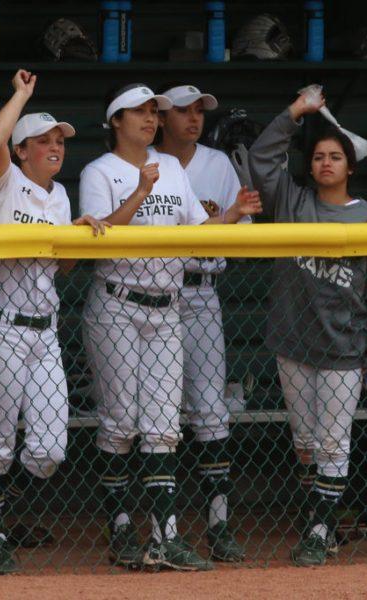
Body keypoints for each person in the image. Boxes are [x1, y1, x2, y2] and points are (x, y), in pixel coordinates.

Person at [79, 83, 260, 571]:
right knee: (120, 422)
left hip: (168, 305)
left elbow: (194, 233)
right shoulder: (100, 171)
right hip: (116, 303)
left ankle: (165, 536)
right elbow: (100, 240)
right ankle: (120, 528)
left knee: (162, 427)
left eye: (152, 112)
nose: (149, 119)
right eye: (138, 112)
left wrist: (233, 217)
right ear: (116, 121)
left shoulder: (175, 169)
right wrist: (141, 190)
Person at [0, 69, 108, 575]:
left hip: (44, 331)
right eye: (43, 141)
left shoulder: (60, 197)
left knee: (49, 448)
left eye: (59, 141)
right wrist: (21, 95)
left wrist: (74, 235)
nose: (55, 147)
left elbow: (64, 267)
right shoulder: (3, 184)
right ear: (22, 151)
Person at [248, 90, 367, 567]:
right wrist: (293, 113)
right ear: (309, 167)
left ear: (350, 167)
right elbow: (262, 158)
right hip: (293, 340)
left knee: (333, 442)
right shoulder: (292, 200)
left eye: (336, 157)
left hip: (343, 348)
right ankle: (319, 517)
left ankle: (320, 528)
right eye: (319, 157)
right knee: (306, 445)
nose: (326, 163)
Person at [155, 83, 249, 563]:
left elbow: (245, 233)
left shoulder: (217, 164)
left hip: (202, 291)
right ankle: (144, 527)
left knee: (211, 412)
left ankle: (219, 525)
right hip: (152, 295)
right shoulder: (147, 162)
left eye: (199, 111)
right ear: (162, 116)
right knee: (152, 419)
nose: (194, 119)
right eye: (184, 111)